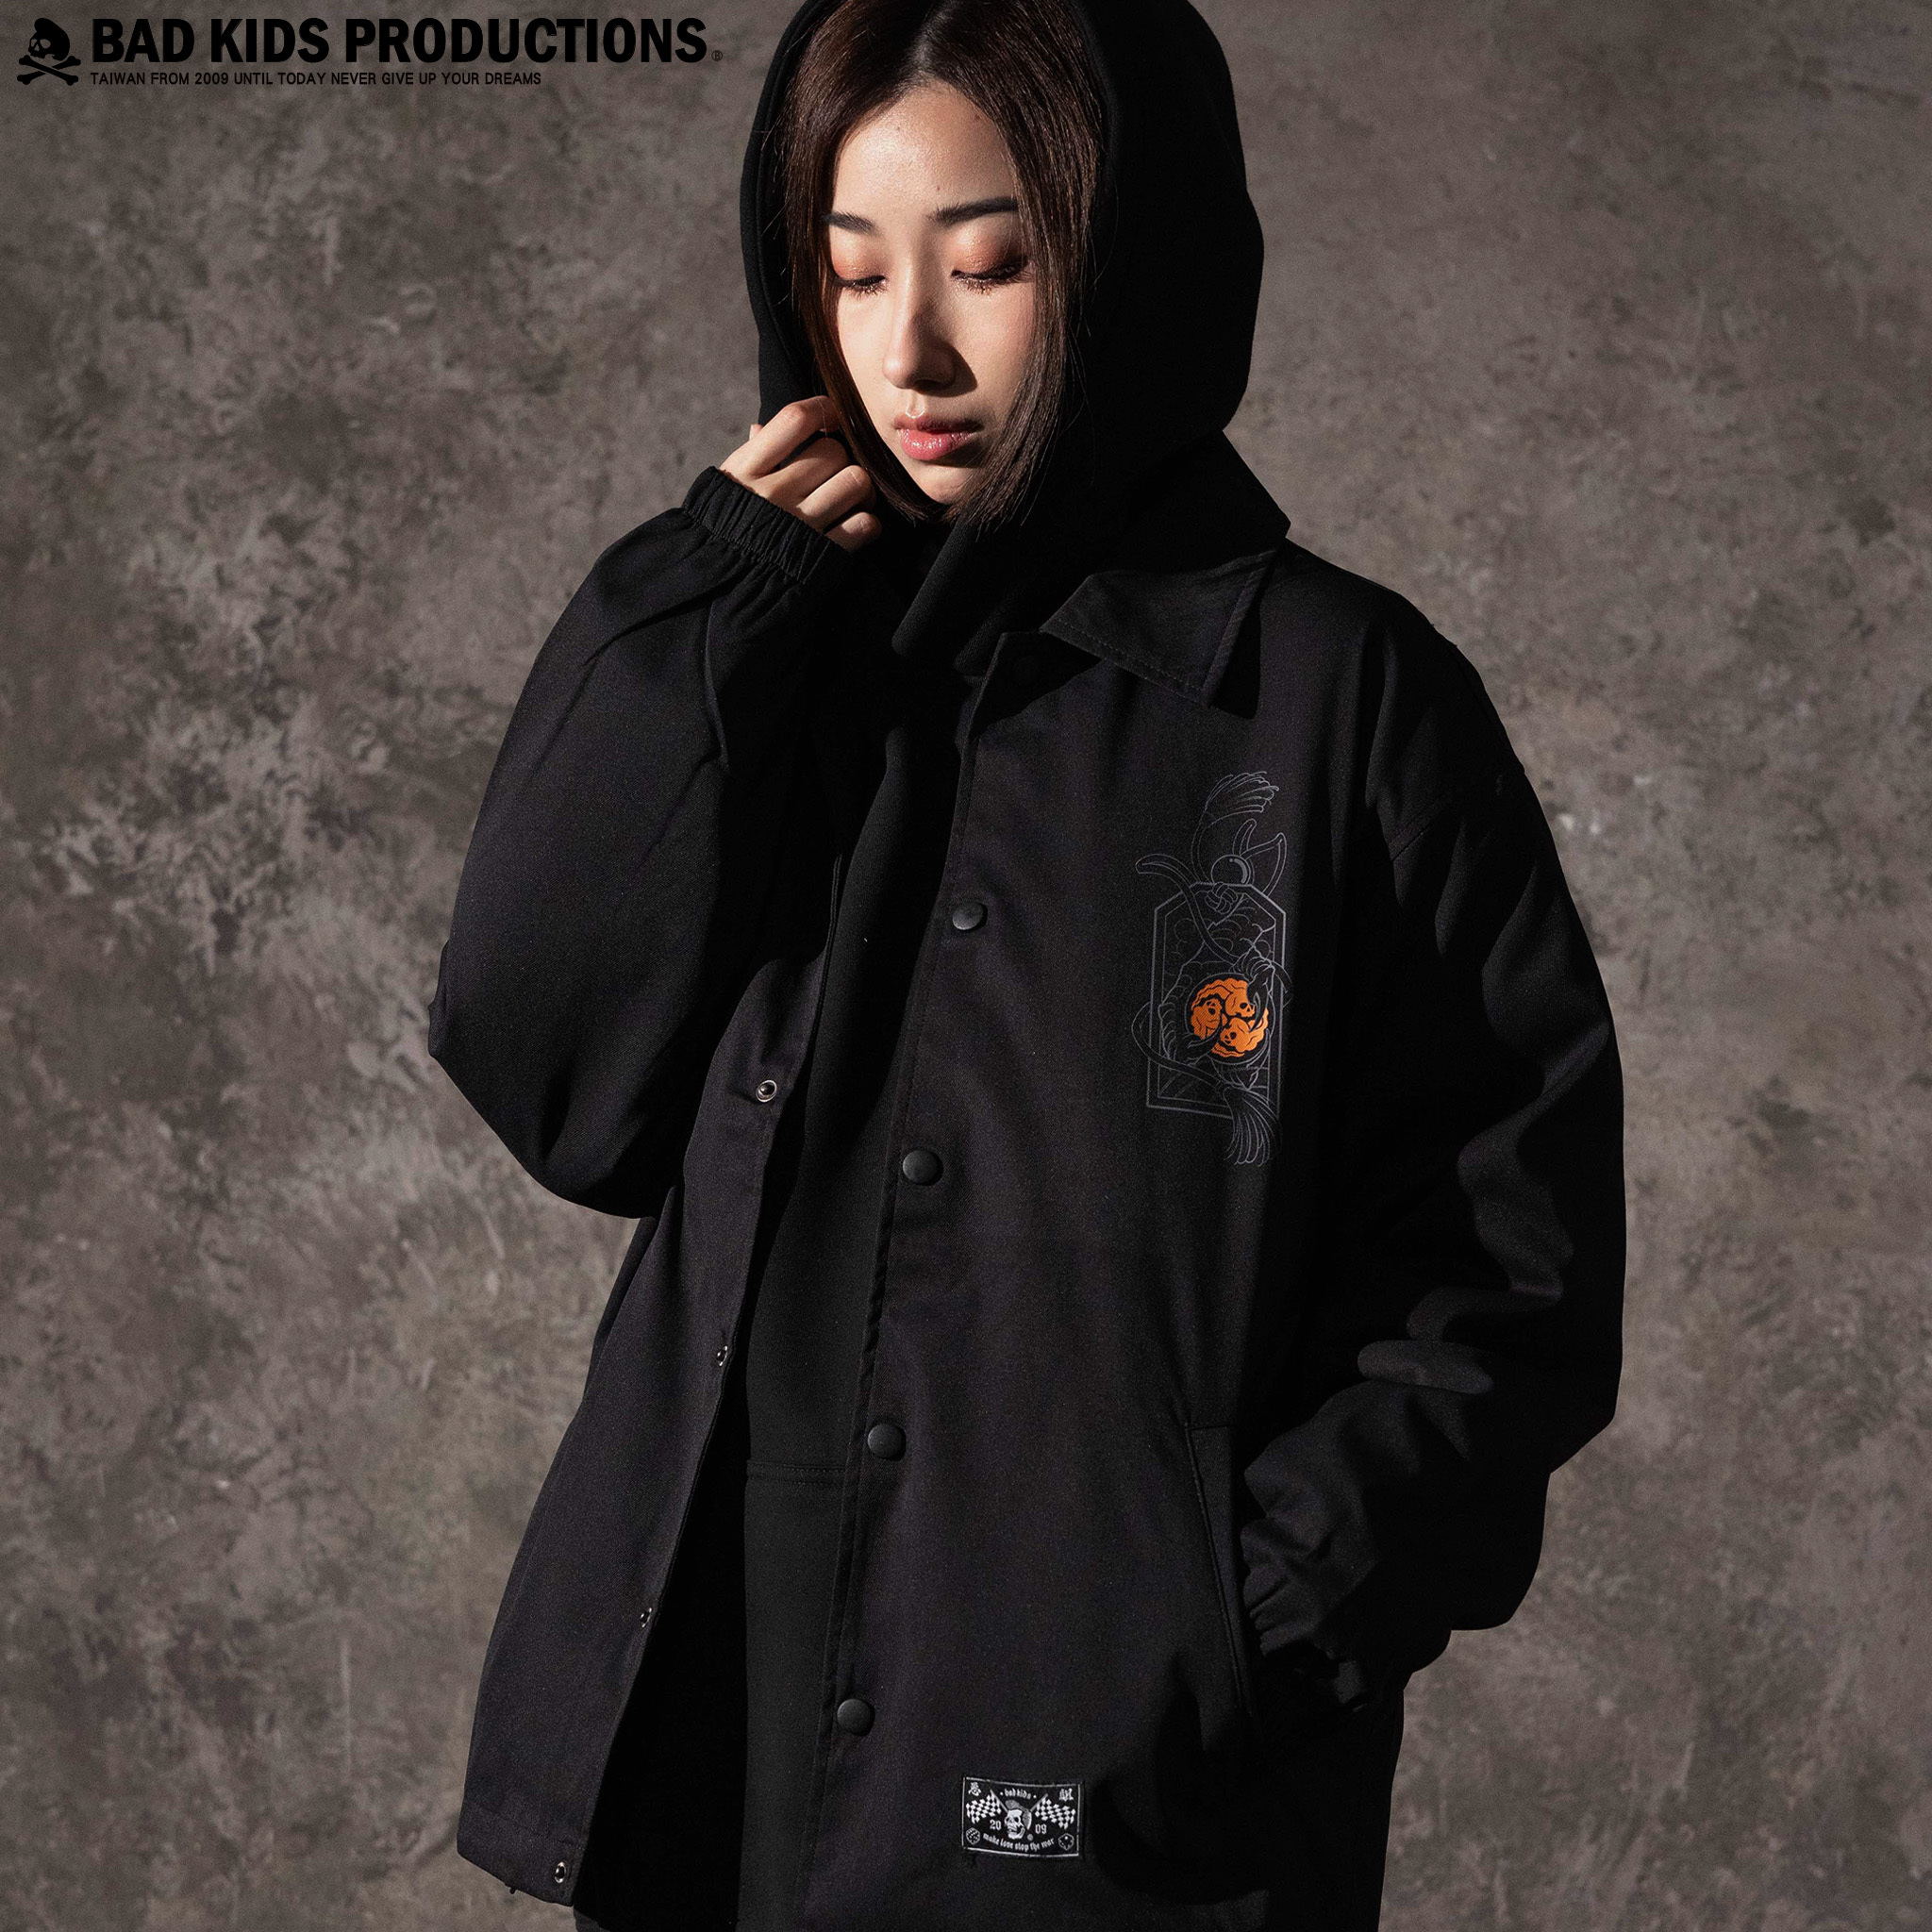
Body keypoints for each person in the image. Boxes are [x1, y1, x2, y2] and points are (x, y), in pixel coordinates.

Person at [425, 0, 1626, 1926]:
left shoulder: (1335, 705)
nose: (906, 351)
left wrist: (1232, 1629)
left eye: (987, 266)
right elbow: (557, 1079)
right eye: (849, 274)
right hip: (709, 1741)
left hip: (1105, 1797)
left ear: (1129, 255)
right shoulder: (767, 652)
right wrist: (692, 625)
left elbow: (1504, 1267)